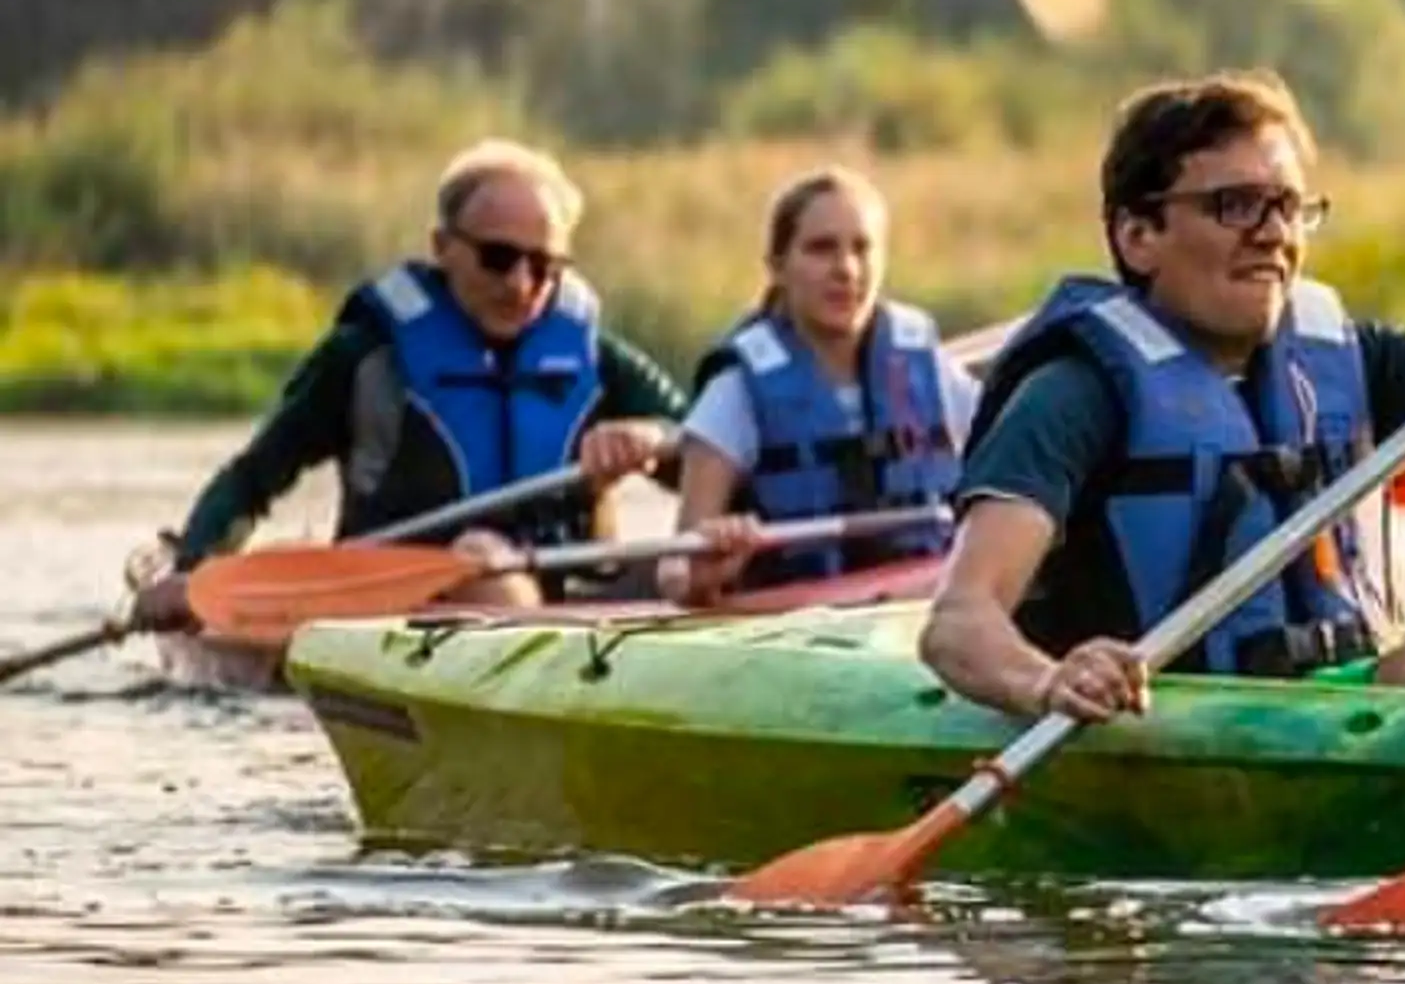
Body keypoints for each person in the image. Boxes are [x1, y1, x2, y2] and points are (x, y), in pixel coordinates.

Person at [921, 70, 1405, 720]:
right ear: (1138, 233)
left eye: (1288, 206)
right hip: (1187, 718)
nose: (1273, 234)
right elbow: (959, 622)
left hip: (1346, 695)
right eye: (1236, 205)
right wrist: (1048, 683)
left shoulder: (1348, 360)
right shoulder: (1073, 394)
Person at [126, 137, 686, 629]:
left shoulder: (597, 359)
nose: (520, 284)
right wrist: (194, 573)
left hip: (578, 604)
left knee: (695, 563)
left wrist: (655, 440)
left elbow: (710, 454)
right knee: (481, 558)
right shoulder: (363, 358)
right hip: (400, 602)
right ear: (443, 247)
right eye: (498, 258)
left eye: (543, 266)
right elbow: (252, 480)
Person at [669, 166, 975, 604]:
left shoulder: (936, 376)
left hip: (918, 606)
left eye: (862, 248)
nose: (846, 269)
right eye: (821, 249)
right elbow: (674, 571)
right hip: (795, 622)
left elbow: (1013, 485)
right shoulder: (734, 395)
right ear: (777, 266)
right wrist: (705, 571)